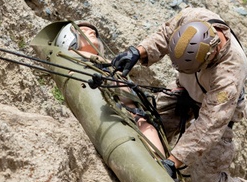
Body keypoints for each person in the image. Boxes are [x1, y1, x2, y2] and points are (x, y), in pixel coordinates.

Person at [111, 8, 247, 182]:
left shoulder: (229, 73)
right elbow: (166, 34)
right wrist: (139, 52)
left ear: (212, 54)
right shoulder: (193, 18)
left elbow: (209, 126)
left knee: (201, 178)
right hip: (186, 90)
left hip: (218, 113)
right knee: (152, 123)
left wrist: (174, 162)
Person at [54, 22, 167, 156]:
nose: (92, 32)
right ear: (68, 37)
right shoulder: (71, 60)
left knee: (150, 135)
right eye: (84, 30)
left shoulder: (112, 64)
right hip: (110, 117)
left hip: (137, 116)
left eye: (93, 31)